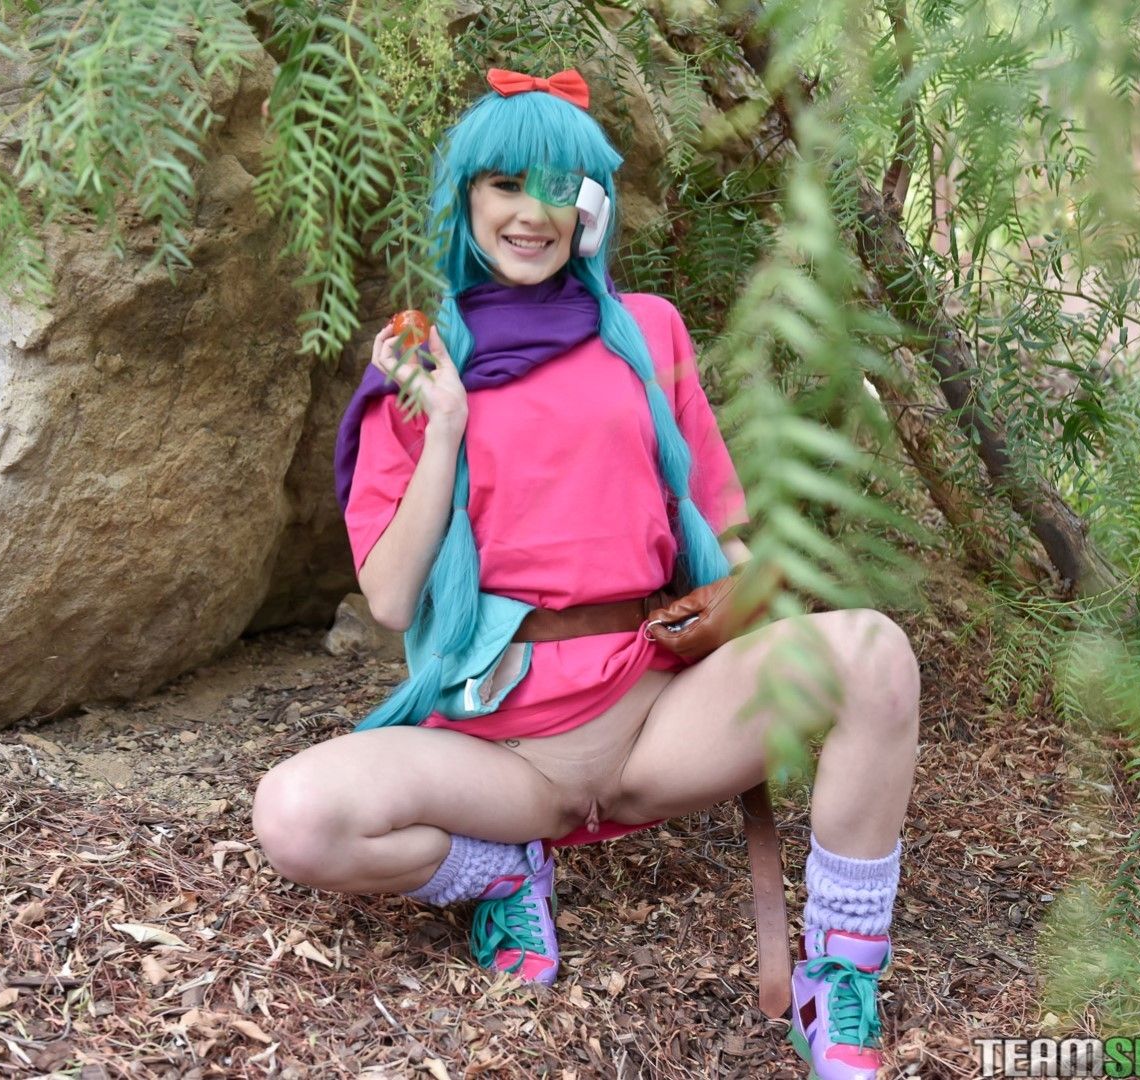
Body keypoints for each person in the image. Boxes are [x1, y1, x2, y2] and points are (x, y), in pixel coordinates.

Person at [251, 66, 920, 1080]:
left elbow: (721, 519)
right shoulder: (422, 360)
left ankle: (838, 979)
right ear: (464, 199)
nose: (531, 213)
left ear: (589, 207)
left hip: (657, 715)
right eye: (505, 186)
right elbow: (388, 598)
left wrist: (755, 613)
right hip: (502, 749)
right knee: (296, 818)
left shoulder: (645, 331)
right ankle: (496, 874)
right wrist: (446, 427)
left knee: (872, 652)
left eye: (557, 188)